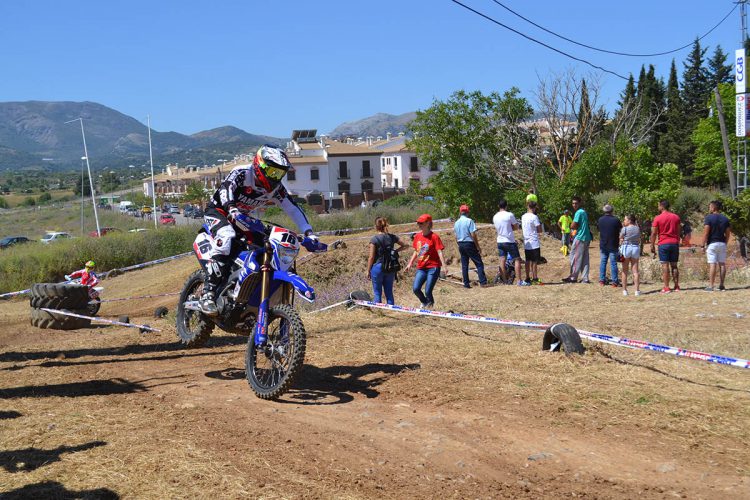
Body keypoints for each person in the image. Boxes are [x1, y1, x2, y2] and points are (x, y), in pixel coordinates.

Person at [199, 144, 317, 315]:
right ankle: (207, 294)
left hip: (241, 216)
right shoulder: (242, 173)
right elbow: (226, 190)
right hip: (219, 211)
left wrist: (308, 232)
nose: (275, 177)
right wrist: (231, 208)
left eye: (279, 173)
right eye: (272, 172)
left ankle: (241, 289)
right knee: (227, 235)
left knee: (263, 245)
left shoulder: (276, 188)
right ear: (259, 165)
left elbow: (292, 208)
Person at [405, 214, 446, 308]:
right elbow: (416, 251)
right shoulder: (417, 236)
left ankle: (430, 306)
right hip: (421, 267)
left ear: (428, 223)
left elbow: (439, 251)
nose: (419, 224)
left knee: (428, 291)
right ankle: (424, 302)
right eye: (418, 223)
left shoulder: (434, 237)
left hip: (433, 267)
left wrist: (444, 266)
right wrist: (410, 263)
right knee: (416, 289)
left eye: (421, 223)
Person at [367, 217, 408, 304]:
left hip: (378, 267)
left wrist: (368, 270)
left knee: (377, 293)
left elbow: (371, 257)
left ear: (376, 226)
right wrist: (395, 251)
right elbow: (406, 245)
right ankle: (391, 310)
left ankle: (379, 312)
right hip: (390, 267)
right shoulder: (392, 237)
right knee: (389, 292)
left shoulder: (374, 239)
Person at [650, 199, 681, 294]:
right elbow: (679, 231)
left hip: (663, 244)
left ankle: (666, 287)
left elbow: (654, 233)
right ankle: (676, 286)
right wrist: (677, 241)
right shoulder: (676, 217)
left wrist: (652, 245)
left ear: (662, 206)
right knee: (674, 265)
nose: (658, 207)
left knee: (665, 265)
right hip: (674, 243)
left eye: (658, 205)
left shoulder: (657, 218)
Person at [453, 204, 488, 288]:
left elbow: (455, 236)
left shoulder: (456, 223)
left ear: (460, 212)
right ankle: (483, 282)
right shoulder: (469, 221)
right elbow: (473, 234)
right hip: (469, 243)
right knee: (479, 263)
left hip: (461, 243)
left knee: (464, 265)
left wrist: (459, 244)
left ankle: (466, 284)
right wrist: (478, 246)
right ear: (467, 212)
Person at [492, 199, 525, 285]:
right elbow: (516, 226)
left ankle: (505, 280)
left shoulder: (495, 216)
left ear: (498, 206)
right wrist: (511, 228)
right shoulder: (509, 215)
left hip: (500, 240)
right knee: (517, 259)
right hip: (509, 240)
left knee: (502, 260)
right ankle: (519, 281)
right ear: (506, 206)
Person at [702, 200, 731, 292]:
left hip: (712, 243)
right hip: (722, 243)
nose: (709, 208)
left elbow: (706, 233)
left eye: (710, 206)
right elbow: (728, 233)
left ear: (714, 207)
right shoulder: (725, 218)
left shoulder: (709, 218)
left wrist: (703, 245)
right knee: (722, 264)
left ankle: (711, 285)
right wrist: (725, 243)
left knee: (712, 264)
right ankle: (722, 285)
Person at [562, 197, 592, 283]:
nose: (574, 205)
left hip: (580, 237)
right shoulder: (584, 212)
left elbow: (573, 225)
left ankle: (573, 277)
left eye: (576, 203)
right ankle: (585, 278)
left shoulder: (578, 212)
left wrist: (571, 226)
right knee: (585, 258)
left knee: (575, 257)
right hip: (587, 237)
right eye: (573, 203)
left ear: (580, 203)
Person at [597, 204, 622, 287]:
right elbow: (620, 230)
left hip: (603, 244)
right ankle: (615, 282)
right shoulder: (616, 220)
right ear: (612, 211)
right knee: (613, 263)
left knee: (603, 262)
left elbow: (599, 230)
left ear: (604, 211)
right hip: (613, 244)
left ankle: (602, 280)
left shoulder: (600, 220)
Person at [619, 214, 641, 296]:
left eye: (625, 220)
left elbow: (621, 238)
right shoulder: (637, 228)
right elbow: (639, 238)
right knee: (635, 271)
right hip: (635, 248)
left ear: (629, 220)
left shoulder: (624, 229)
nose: (624, 221)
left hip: (626, 248)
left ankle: (625, 290)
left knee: (624, 271)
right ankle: (637, 291)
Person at [521, 201, 543, 284]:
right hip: (534, 241)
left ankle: (527, 277)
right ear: (534, 207)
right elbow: (539, 229)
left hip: (526, 242)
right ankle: (535, 277)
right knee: (534, 261)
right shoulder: (534, 217)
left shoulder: (523, 216)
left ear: (527, 207)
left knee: (527, 260)